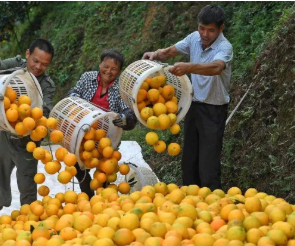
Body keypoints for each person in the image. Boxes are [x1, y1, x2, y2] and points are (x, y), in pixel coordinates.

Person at [143, 5, 233, 191]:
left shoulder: (225, 47)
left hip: (213, 111)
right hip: (193, 107)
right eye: (202, 28)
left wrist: (189, 67)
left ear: (221, 29)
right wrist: (155, 54)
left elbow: (216, 67)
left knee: (208, 165)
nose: (205, 34)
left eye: (211, 30)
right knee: (189, 160)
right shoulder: (194, 38)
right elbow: (170, 51)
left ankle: (212, 203)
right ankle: (191, 202)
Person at [0, 39, 57, 224]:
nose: (38, 66)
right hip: (6, 132)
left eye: (44, 64)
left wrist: (29, 121)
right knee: (0, 171)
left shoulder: (47, 85)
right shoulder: (18, 64)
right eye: (35, 61)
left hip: (29, 141)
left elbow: (45, 111)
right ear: (27, 54)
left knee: (27, 181)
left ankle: (29, 216)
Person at [67, 48, 137, 198]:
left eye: (114, 69)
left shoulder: (120, 88)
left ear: (118, 71)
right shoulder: (87, 78)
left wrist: (124, 118)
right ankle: (89, 198)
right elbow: (75, 92)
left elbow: (129, 112)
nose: (108, 71)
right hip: (84, 132)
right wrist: (72, 96)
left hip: (107, 137)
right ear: (100, 65)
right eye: (106, 66)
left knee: (105, 173)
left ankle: (104, 202)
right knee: (80, 167)